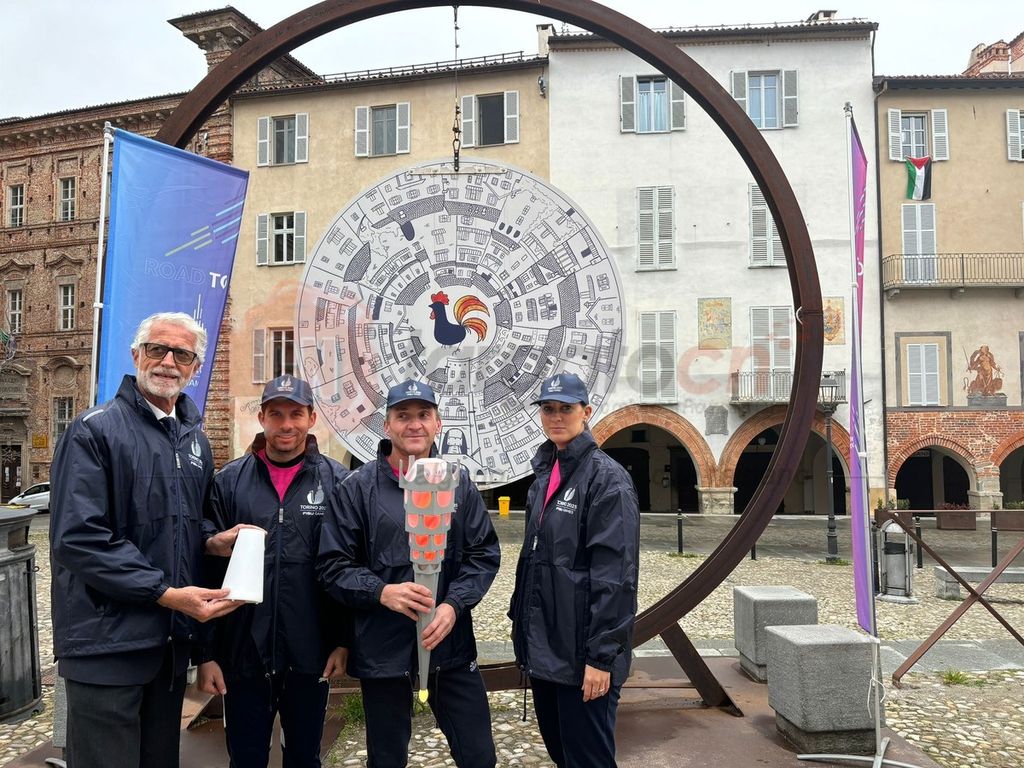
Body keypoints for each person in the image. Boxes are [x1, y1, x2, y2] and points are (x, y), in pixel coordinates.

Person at [49, 311, 241, 768]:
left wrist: (213, 542)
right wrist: (166, 593)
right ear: (137, 355)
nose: (168, 362)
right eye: (158, 349)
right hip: (106, 645)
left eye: (182, 355)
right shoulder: (93, 430)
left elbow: (186, 526)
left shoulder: (194, 442)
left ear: (195, 368)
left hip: (167, 647)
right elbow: (79, 538)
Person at [317, 379, 500, 768]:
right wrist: (381, 592)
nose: (414, 424)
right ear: (387, 426)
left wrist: (453, 605)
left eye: (423, 415)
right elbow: (332, 565)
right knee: (386, 758)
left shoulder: (459, 483)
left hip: (448, 644)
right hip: (382, 647)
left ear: (438, 423)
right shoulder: (356, 488)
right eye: (403, 416)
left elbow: (483, 554)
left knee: (479, 754)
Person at [198, 374, 351, 768]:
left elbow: (347, 568)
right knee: (246, 757)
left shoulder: (337, 482)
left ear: (311, 418)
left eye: (296, 414)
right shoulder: (229, 481)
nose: (286, 425)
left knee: (304, 756)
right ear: (262, 417)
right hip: (242, 652)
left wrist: (342, 641)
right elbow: (206, 572)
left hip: (311, 651)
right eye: (277, 414)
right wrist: (207, 655)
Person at [509, 372, 640, 768]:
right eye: (548, 408)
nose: (556, 417)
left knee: (588, 760)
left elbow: (616, 579)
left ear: (586, 411)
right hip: (547, 652)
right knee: (562, 754)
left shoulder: (607, 480)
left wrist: (601, 659)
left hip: (582, 658)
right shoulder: (544, 475)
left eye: (565, 408)